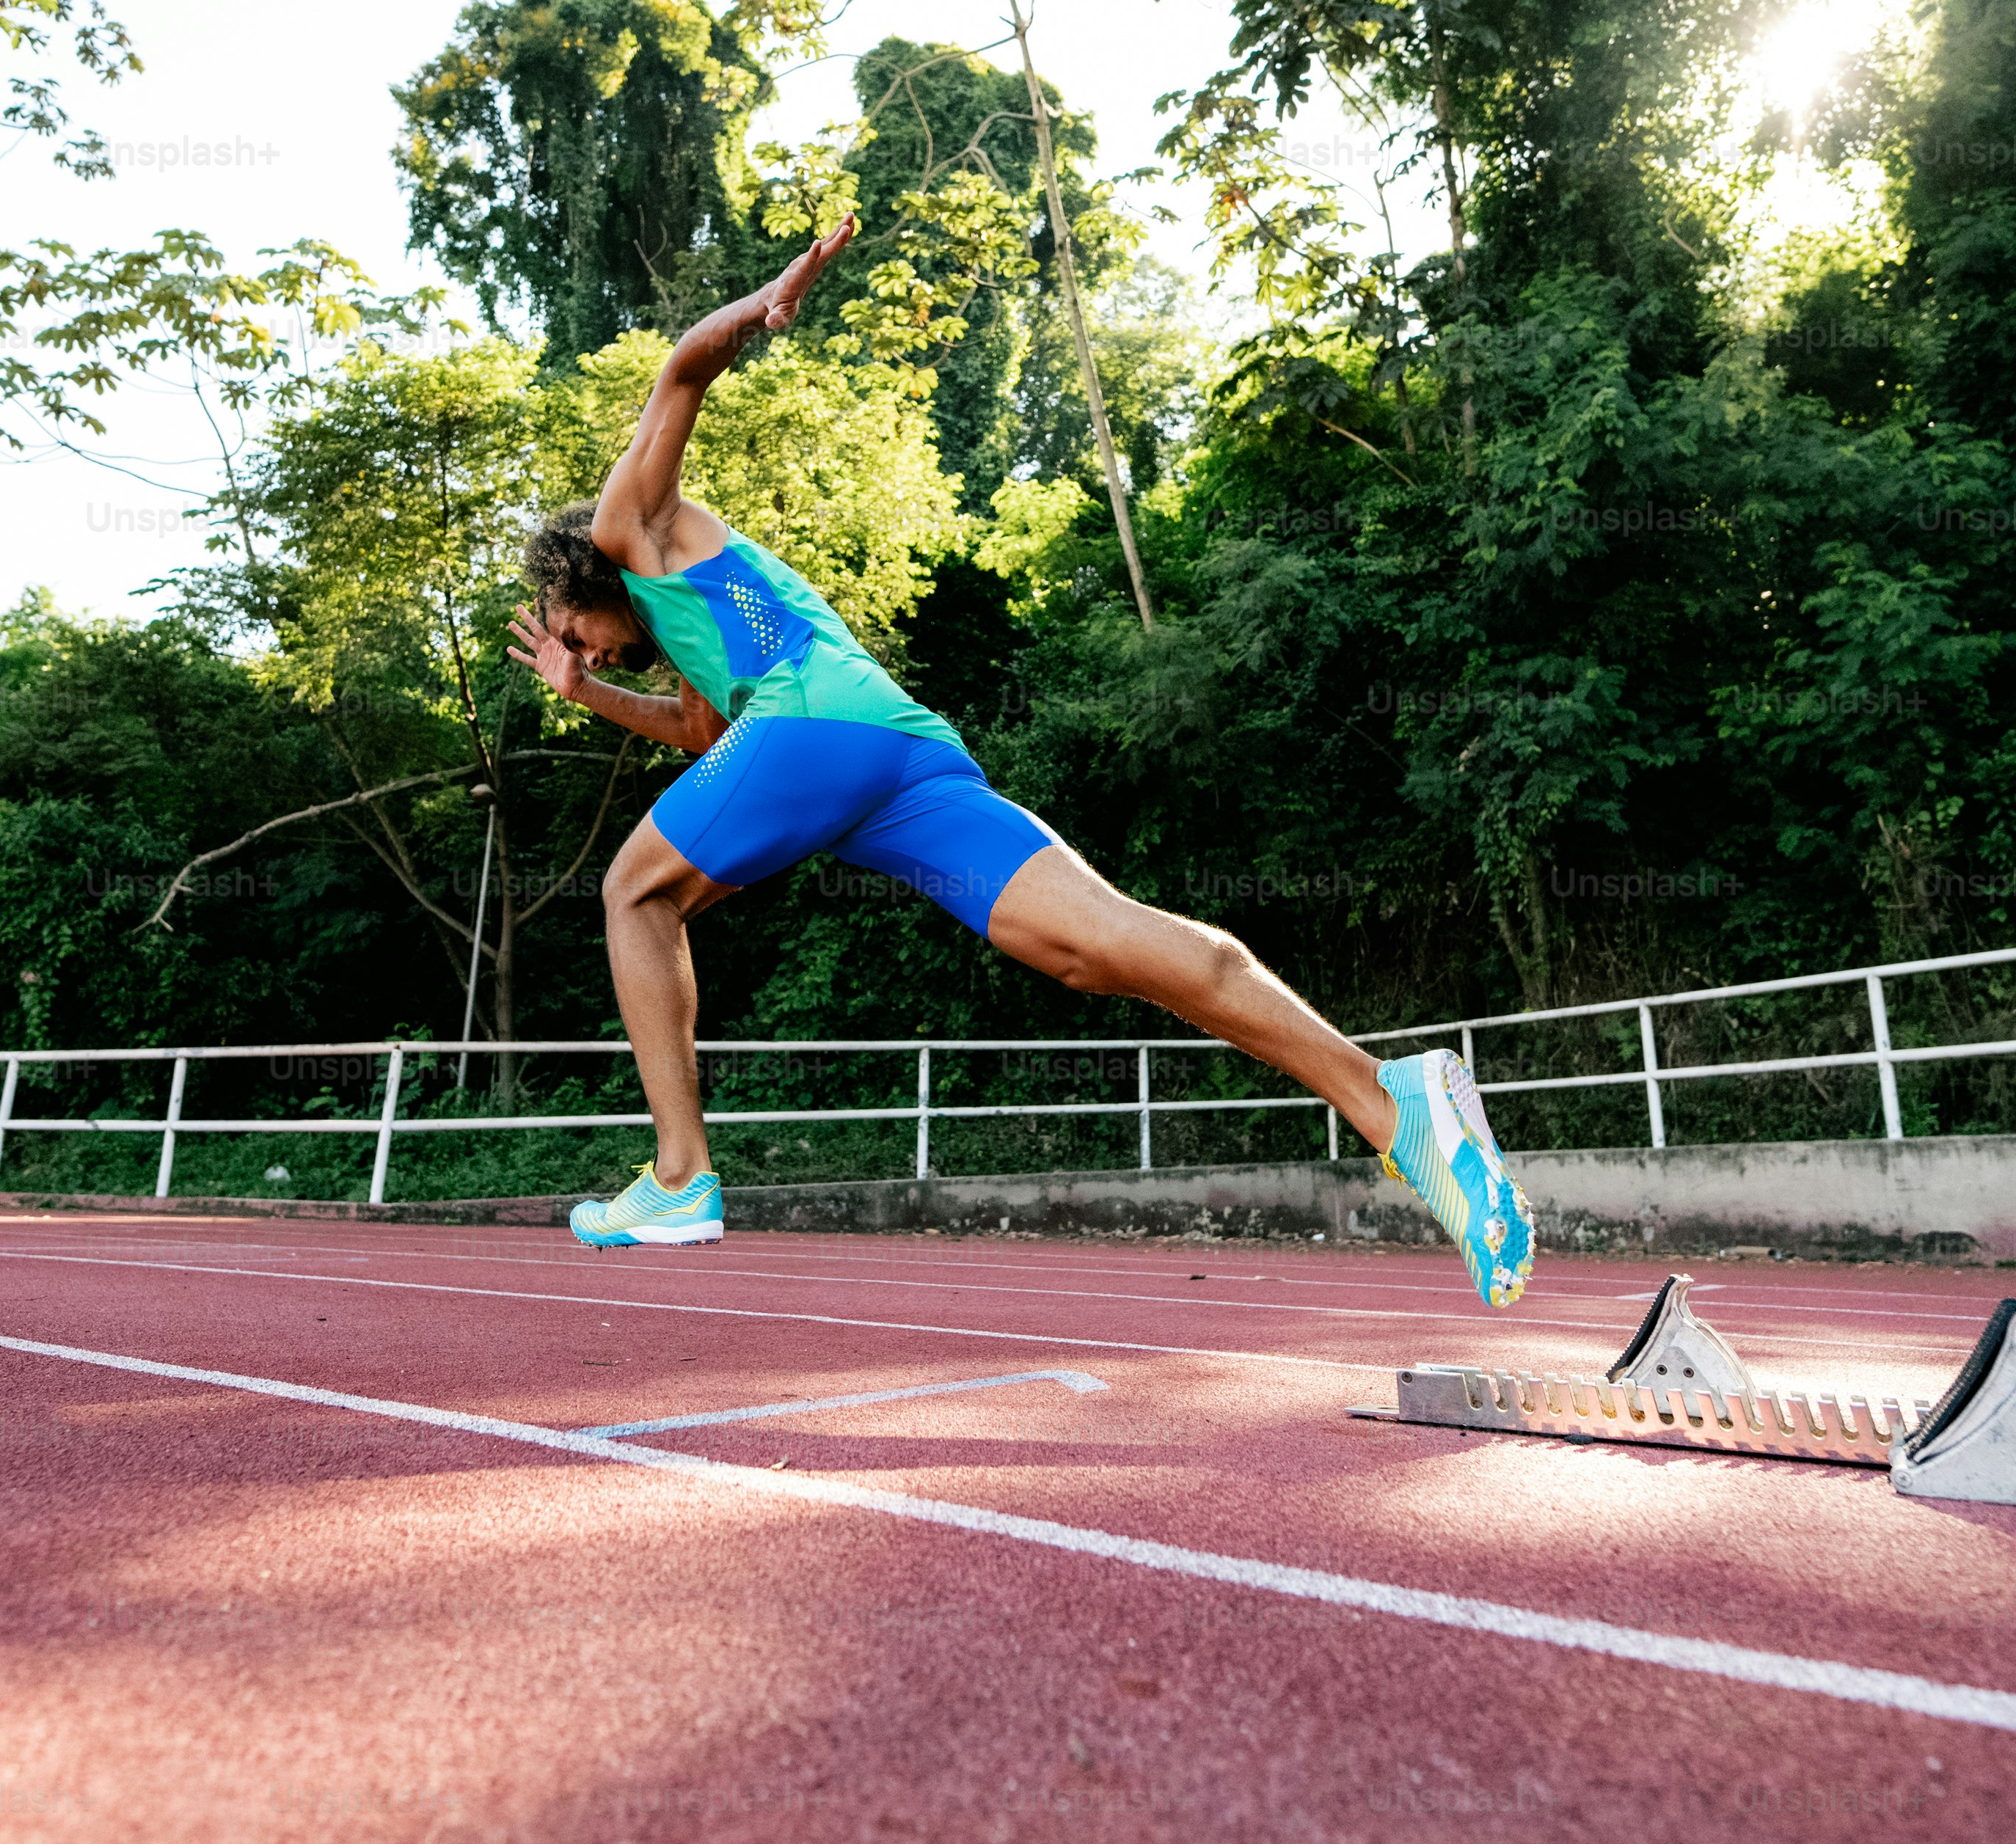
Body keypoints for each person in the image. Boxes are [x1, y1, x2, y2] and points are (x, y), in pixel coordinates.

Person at [505, 216, 1533, 1305]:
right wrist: (594, 696)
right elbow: (708, 747)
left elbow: (679, 374)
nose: (576, 649)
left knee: (631, 892)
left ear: (584, 579)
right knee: (1098, 944)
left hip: (819, 726)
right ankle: (1392, 1099)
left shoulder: (634, 523)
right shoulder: (682, 632)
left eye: (570, 634)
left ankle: (678, 1178)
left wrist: (761, 308)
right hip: (892, 754)